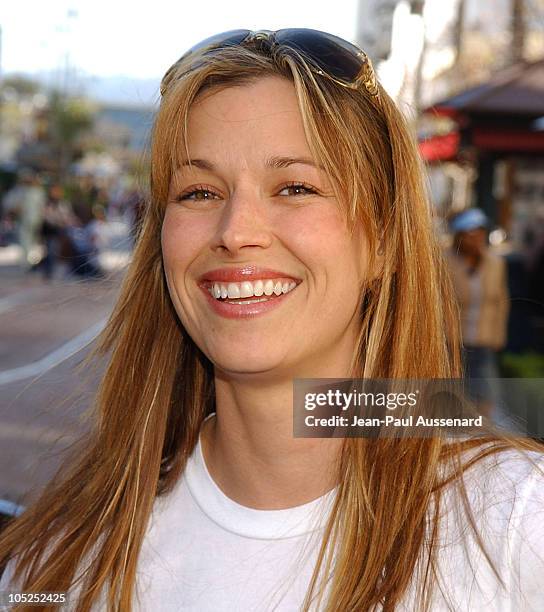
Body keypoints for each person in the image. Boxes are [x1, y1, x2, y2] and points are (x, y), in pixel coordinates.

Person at [0, 29, 543, 611]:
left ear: (383, 238)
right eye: (199, 192)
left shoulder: (515, 527)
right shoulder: (55, 561)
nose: (236, 231)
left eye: (295, 187)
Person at [445, 208, 510, 416]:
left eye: (480, 233)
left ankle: (480, 435)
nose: (476, 239)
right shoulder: (444, 262)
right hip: (453, 340)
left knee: (485, 394)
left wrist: (498, 336)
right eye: (470, 233)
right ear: (459, 236)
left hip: (484, 340)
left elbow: (501, 301)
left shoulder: (496, 264)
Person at [2, 169, 47, 271]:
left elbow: (42, 207)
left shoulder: (38, 192)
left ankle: (32, 262)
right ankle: (26, 263)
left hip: (35, 220)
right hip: (24, 220)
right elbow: (10, 203)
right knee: (24, 241)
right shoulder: (20, 191)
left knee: (33, 242)